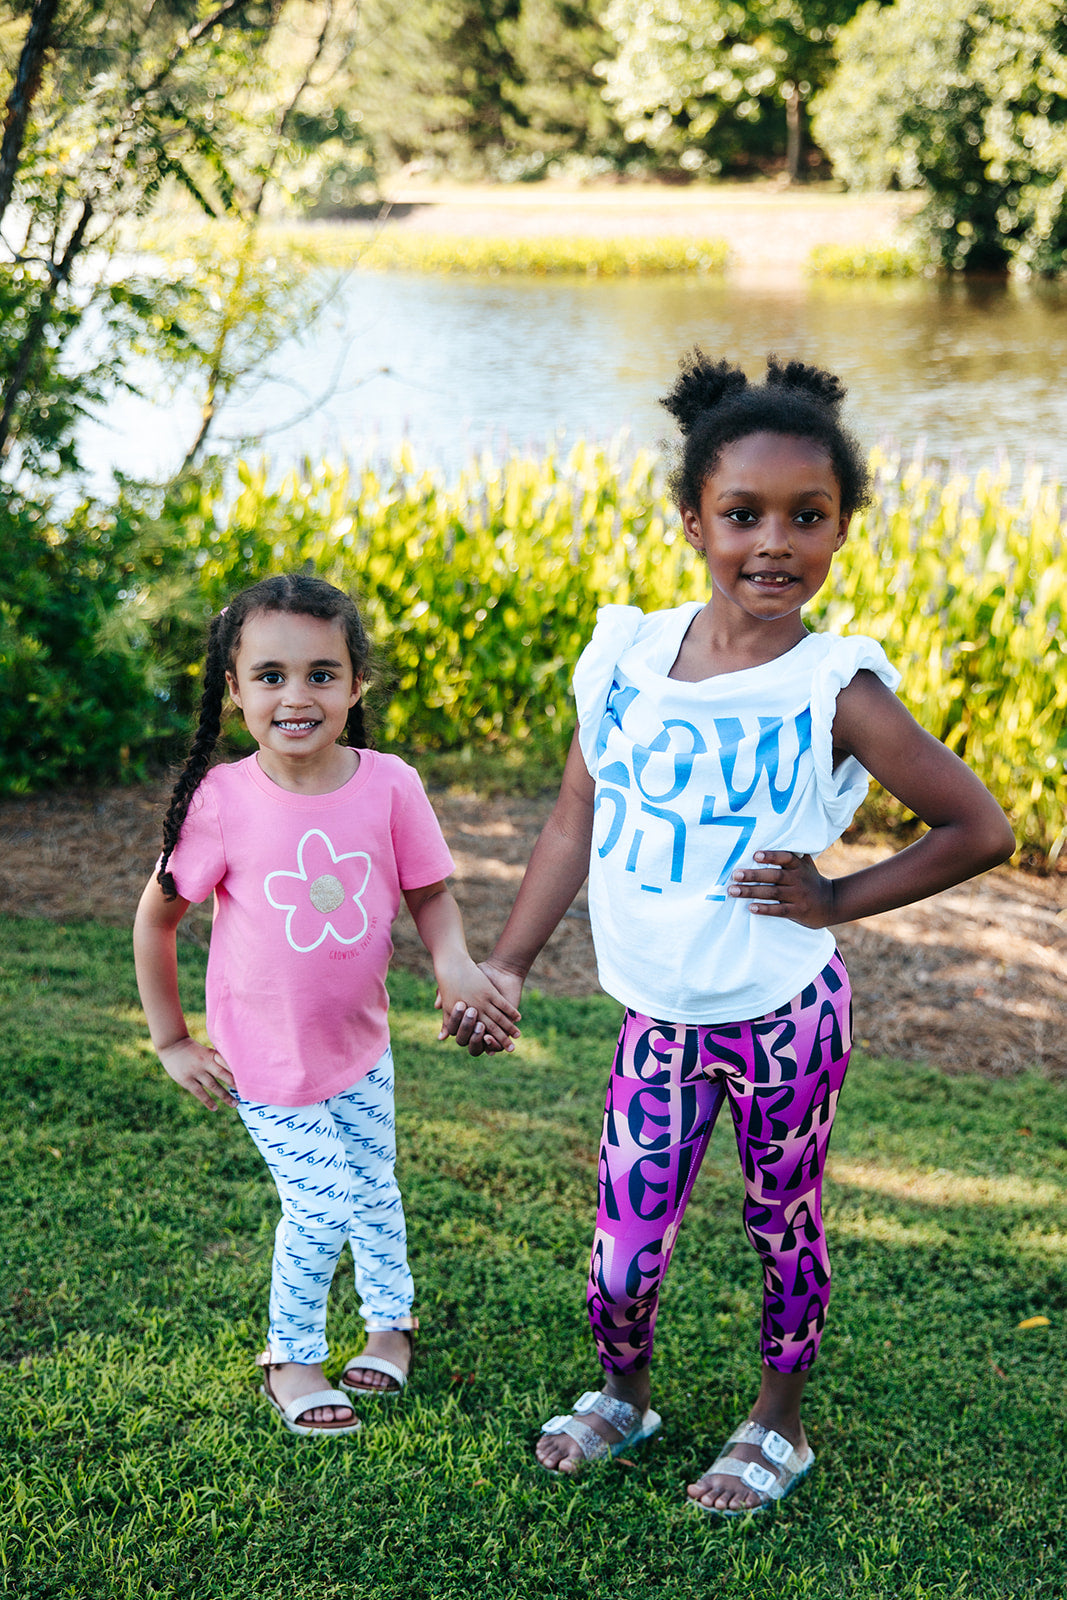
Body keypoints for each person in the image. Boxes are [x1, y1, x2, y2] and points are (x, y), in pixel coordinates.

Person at [445, 354, 1014, 1513]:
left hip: (781, 1021)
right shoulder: (625, 662)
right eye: (741, 514)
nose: (773, 543)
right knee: (621, 1237)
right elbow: (571, 818)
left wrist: (836, 897)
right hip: (657, 1018)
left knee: (778, 1222)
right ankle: (625, 1395)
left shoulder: (834, 688)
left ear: (840, 528)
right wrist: (506, 959)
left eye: (806, 517)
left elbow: (977, 827)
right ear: (689, 519)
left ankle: (774, 1424)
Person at [134, 573, 519, 1438]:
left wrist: (453, 963)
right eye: (269, 676)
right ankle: (291, 1355)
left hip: (360, 1044)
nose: (295, 696)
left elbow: (429, 895)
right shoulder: (223, 802)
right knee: (321, 1206)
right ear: (233, 692)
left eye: (320, 673)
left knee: (374, 1187)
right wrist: (171, 1040)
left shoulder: (389, 785)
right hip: (264, 1056)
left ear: (355, 685)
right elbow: (155, 920)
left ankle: (392, 1322)